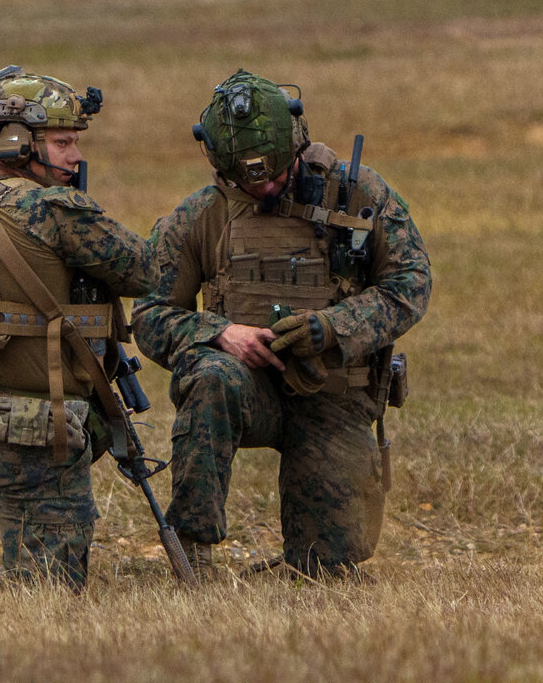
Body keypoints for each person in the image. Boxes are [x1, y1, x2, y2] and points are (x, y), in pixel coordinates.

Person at [132, 70, 431, 578]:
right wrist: (219, 334)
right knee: (210, 378)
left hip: (332, 396)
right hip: (246, 390)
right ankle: (195, 555)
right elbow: (150, 314)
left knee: (329, 570)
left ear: (297, 141)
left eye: (274, 173)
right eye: (248, 178)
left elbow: (411, 282)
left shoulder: (358, 194)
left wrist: (334, 327)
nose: (264, 185)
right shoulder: (203, 216)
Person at [0, 67, 158, 589]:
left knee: (38, 575)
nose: (75, 156)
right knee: (45, 591)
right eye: (62, 142)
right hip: (36, 426)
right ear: (14, 142)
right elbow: (146, 270)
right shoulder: (50, 208)